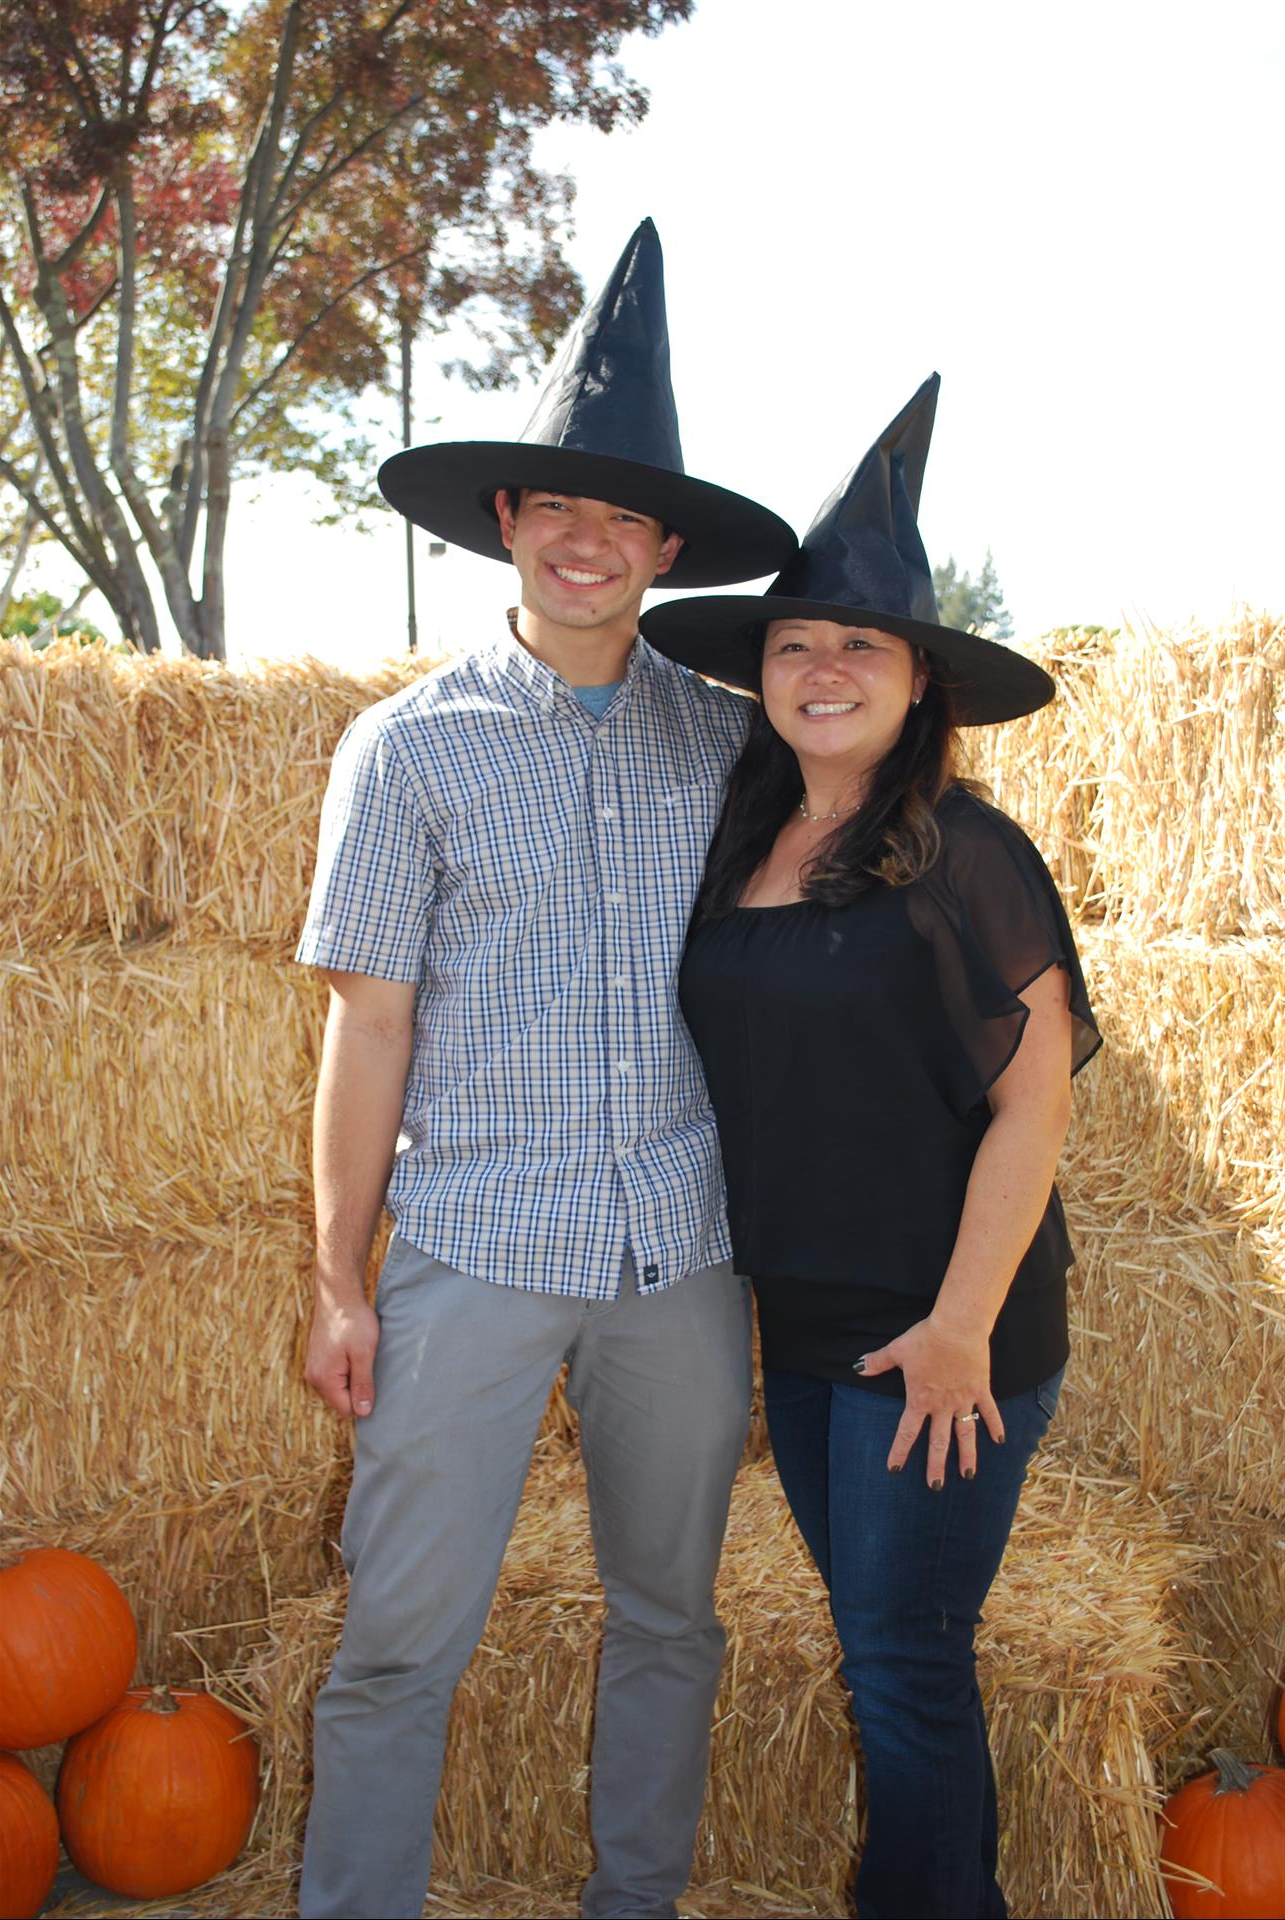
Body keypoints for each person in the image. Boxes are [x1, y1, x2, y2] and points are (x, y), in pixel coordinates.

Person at [292, 219, 795, 1920]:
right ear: (507, 523)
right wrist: (338, 1280)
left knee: (672, 1617)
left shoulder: (731, 744)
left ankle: (633, 1901)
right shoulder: (407, 748)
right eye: (555, 509)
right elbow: (367, 1024)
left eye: (622, 516)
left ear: (665, 544)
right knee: (397, 1640)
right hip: (474, 1252)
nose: (587, 542)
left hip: (679, 1256)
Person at [641, 374, 1101, 1920]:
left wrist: (964, 1327)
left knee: (904, 1667)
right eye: (794, 641)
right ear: (760, 670)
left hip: (945, 1328)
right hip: (807, 1327)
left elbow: (1037, 1094)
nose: (822, 667)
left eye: (860, 643)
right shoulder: (740, 839)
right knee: (886, 1651)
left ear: (920, 680)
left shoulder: (968, 853)